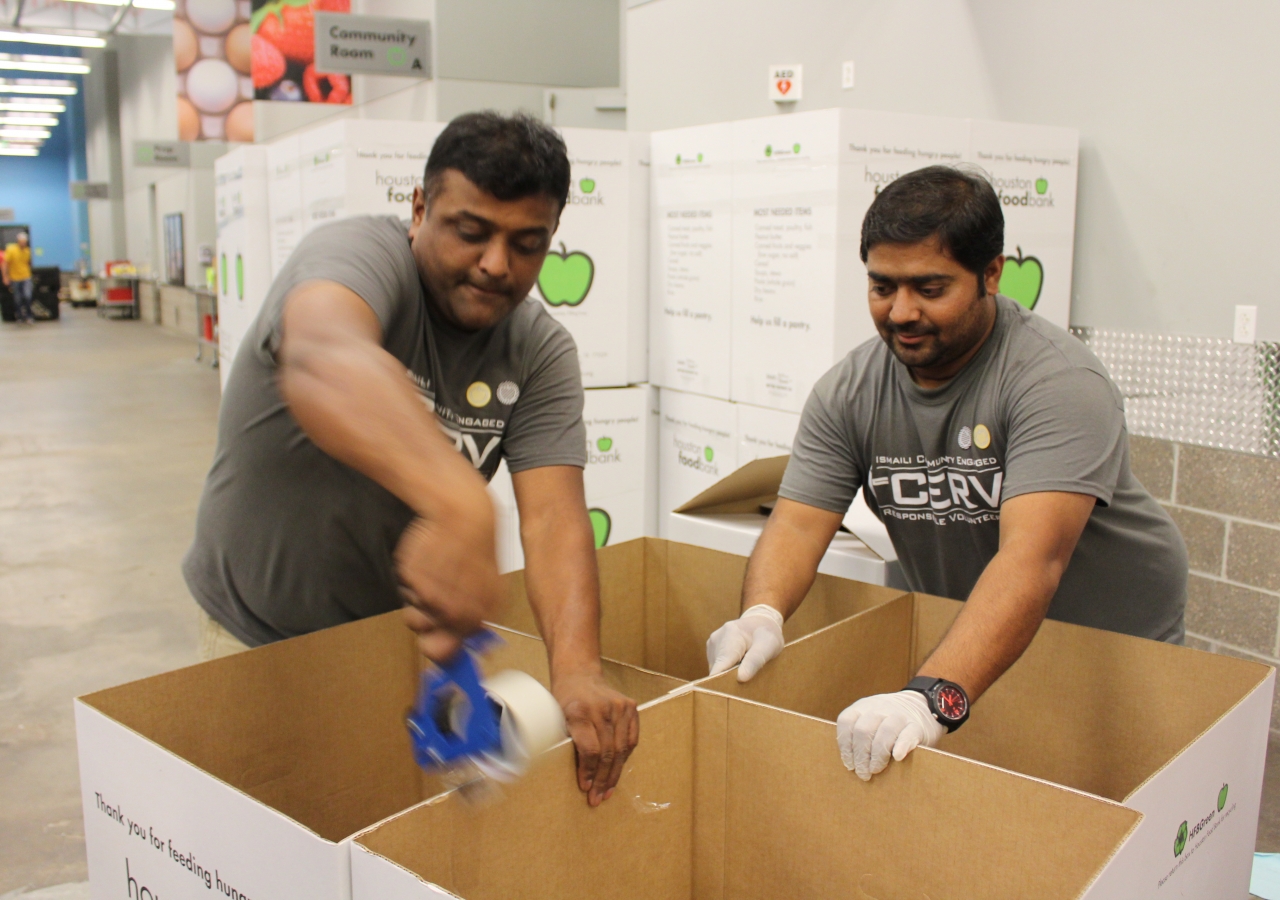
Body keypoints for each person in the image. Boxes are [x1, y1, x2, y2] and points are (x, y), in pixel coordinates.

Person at [183, 112, 637, 806]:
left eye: (527, 244)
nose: (496, 264)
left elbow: (553, 520)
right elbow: (322, 355)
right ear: (420, 208)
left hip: (393, 655)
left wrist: (575, 671)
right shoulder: (359, 258)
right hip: (259, 641)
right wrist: (459, 504)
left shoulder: (541, 352)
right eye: (471, 231)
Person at [705, 165, 1188, 782]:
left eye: (929, 288)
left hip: (1108, 639)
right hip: (983, 627)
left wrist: (930, 699)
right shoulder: (849, 392)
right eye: (882, 286)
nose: (901, 311)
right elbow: (798, 525)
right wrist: (762, 614)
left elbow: (1031, 560)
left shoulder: (1057, 383)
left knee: (1104, 809)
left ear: (991, 274)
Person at [3, 232, 34, 324]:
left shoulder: (28, 251)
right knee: (17, 298)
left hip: (26, 276)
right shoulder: (11, 250)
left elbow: (28, 263)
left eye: (25, 242)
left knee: (27, 296)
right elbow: (5, 263)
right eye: (22, 241)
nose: (23, 243)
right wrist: (5, 276)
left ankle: (29, 316)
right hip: (15, 278)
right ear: (18, 241)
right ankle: (20, 316)